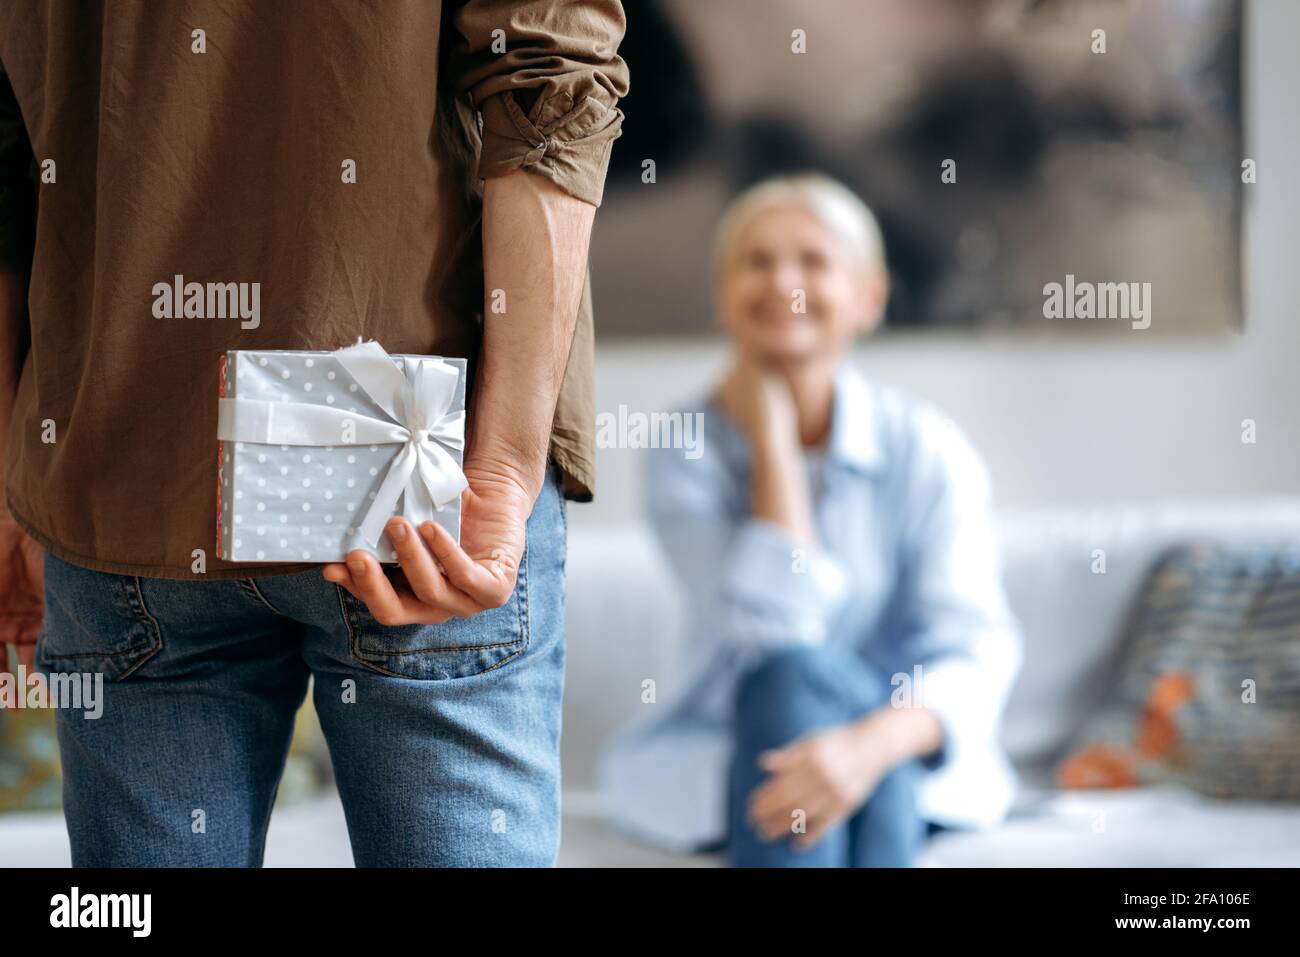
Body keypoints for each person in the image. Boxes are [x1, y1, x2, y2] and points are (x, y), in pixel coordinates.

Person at [0, 1, 627, 867]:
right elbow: (553, 75)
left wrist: (13, 478)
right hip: (423, 467)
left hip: (122, 468)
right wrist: (505, 467)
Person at [598, 173, 1022, 867]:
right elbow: (778, 634)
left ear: (869, 296)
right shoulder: (686, 447)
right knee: (790, 680)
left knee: (842, 736)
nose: (783, 282)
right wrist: (773, 440)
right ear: (723, 295)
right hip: (744, 743)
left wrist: (865, 748)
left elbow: (974, 651)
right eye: (757, 262)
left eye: (814, 261)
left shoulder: (927, 449)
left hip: (894, 740)